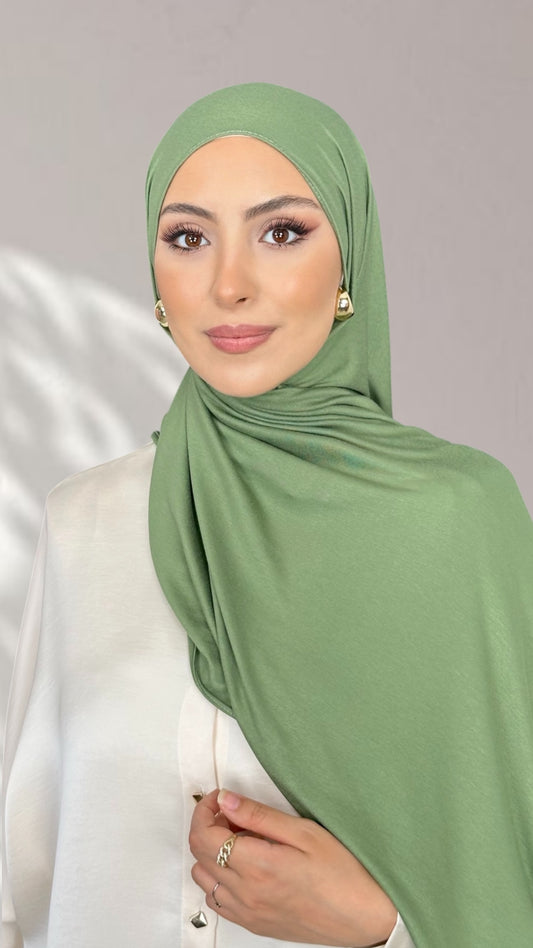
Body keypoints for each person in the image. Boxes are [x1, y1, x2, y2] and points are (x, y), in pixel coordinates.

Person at [2, 83, 532, 948]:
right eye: (187, 238)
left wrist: (383, 924)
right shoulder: (84, 523)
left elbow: (505, 877)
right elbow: (21, 876)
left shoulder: (458, 524)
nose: (229, 285)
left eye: (281, 232)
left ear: (348, 262)